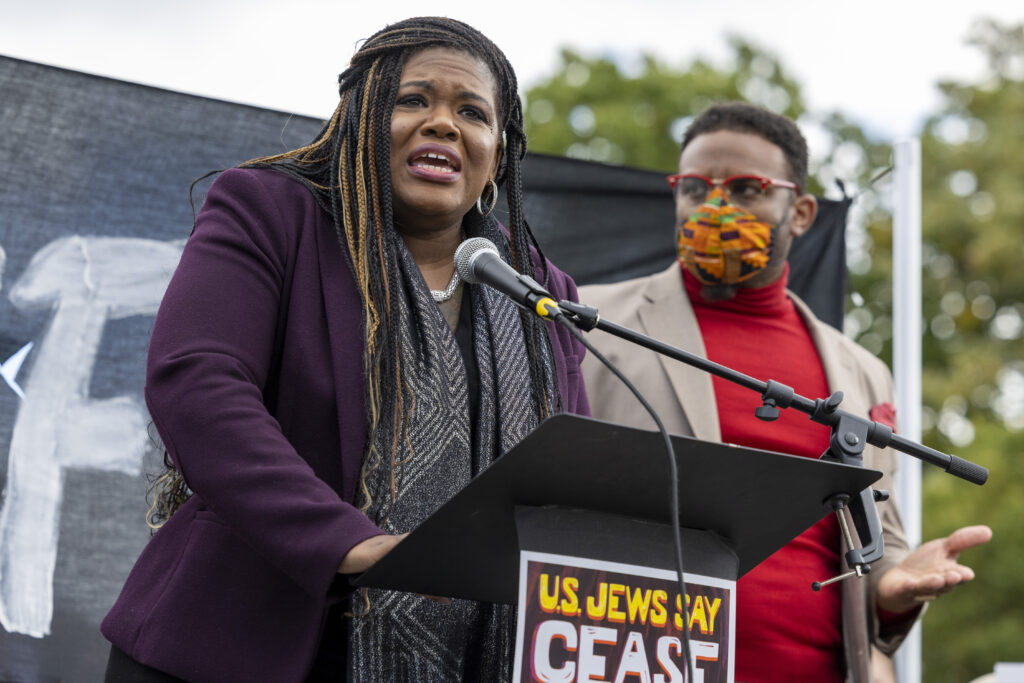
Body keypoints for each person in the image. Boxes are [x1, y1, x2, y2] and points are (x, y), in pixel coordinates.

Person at [101, 17, 588, 683]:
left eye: (471, 111)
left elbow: (566, 471)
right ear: (358, 119)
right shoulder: (271, 215)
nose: (443, 123)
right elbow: (199, 384)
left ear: (498, 152)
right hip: (238, 646)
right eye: (413, 100)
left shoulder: (538, 289)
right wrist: (351, 543)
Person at [579, 101, 991, 683]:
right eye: (695, 187)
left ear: (799, 212)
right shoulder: (586, 322)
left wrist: (894, 585)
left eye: (747, 189)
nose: (714, 206)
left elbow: (881, 536)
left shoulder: (862, 371)